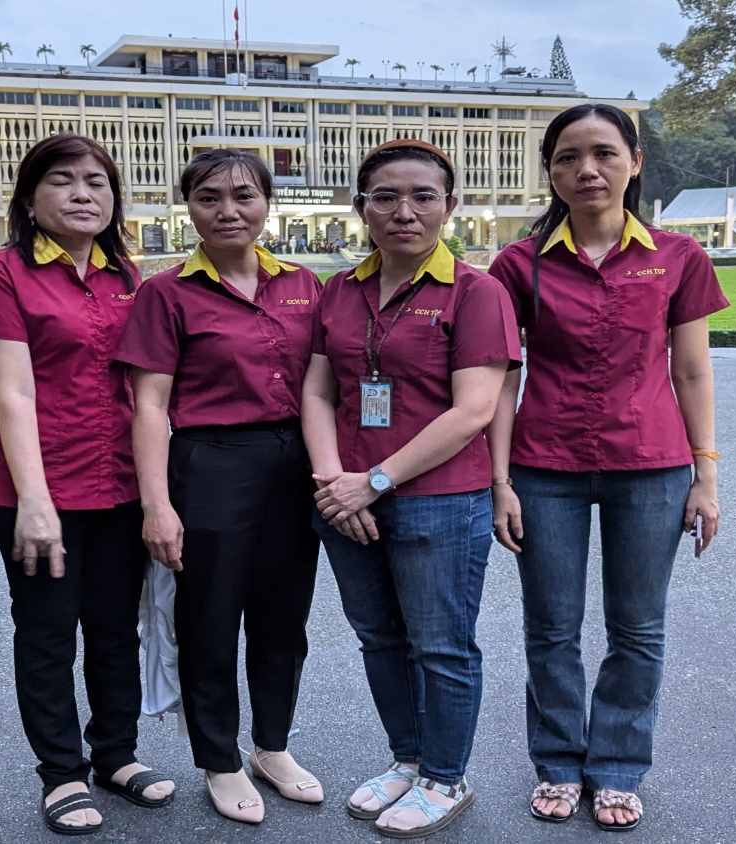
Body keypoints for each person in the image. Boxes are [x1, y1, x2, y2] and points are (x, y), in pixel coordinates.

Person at [486, 103, 727, 832]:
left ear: (635, 161)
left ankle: (618, 765)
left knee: (638, 628)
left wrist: (706, 475)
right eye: (566, 157)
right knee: (551, 627)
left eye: (602, 153)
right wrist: (499, 481)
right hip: (544, 465)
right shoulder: (517, 264)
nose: (585, 169)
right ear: (551, 172)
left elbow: (691, 370)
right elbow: (502, 377)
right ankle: (559, 763)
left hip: (649, 465)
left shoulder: (677, 256)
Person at [300, 139, 521, 839]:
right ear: (360, 207)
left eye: (423, 196)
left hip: (438, 500)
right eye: (385, 196)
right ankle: (408, 759)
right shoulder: (340, 289)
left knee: (441, 645)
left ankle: (445, 776)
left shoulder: (477, 292)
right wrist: (334, 481)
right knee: (379, 639)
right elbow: (317, 390)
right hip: (348, 495)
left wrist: (374, 480)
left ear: (450, 207)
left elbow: (473, 411)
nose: (404, 211)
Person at [0, 133, 174, 836]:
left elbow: (144, 389)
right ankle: (61, 773)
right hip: (36, 487)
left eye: (97, 182)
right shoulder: (2, 273)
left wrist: (157, 495)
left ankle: (116, 754)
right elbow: (14, 393)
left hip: (118, 481)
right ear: (30, 197)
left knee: (117, 628)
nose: (82, 193)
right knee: (49, 631)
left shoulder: (128, 275)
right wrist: (33, 501)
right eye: (63, 180)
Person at [116, 149, 323, 826]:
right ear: (190, 208)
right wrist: (157, 505)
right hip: (210, 464)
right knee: (209, 619)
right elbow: (149, 407)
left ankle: (272, 745)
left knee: (283, 619)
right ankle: (220, 759)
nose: (228, 211)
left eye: (243, 196)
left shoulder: (302, 284)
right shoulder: (167, 293)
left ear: (268, 202)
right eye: (209, 198)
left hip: (293, 463)